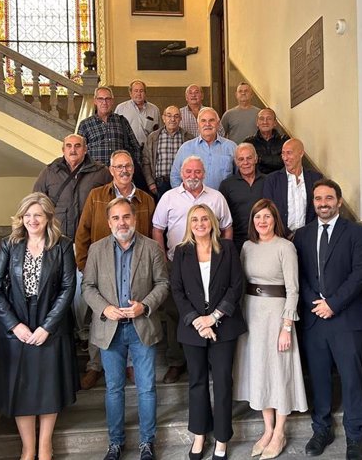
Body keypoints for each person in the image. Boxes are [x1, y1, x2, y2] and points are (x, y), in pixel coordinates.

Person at [0, 192, 78, 460]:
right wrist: (15, 326)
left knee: (49, 386)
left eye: (37, 214)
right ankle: (28, 448)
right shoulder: (9, 244)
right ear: (21, 218)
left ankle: (45, 446)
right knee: (21, 387)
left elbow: (68, 288)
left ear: (48, 217)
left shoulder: (62, 245)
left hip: (51, 323)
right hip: (17, 323)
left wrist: (47, 326)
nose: (32, 220)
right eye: (27, 215)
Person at [82, 198, 169, 460]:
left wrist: (145, 305)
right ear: (109, 223)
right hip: (110, 329)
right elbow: (87, 287)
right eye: (116, 218)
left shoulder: (152, 248)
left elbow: (163, 283)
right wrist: (104, 308)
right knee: (113, 389)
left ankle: (147, 443)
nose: (122, 222)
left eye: (127, 217)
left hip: (142, 326)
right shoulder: (96, 250)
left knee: (146, 388)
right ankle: (115, 443)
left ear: (135, 218)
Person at [293, 179, 362, 460]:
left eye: (328, 198)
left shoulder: (356, 234)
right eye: (317, 198)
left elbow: (360, 273)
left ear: (338, 201)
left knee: (351, 379)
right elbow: (298, 274)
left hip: (347, 319)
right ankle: (321, 430)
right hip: (315, 319)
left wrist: (333, 304)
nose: (322, 203)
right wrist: (316, 303)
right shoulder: (301, 235)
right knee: (319, 378)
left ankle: (354, 435)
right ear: (312, 202)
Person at [170, 204, 247, 460]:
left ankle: (223, 438)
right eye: (195, 220)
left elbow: (236, 286)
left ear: (212, 222)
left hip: (223, 326)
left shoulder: (227, 248)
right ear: (189, 225)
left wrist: (213, 318)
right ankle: (200, 434)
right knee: (197, 382)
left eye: (205, 219)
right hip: (193, 329)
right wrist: (198, 321)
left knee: (223, 382)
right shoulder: (181, 253)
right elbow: (177, 291)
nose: (200, 223)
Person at [75, 150, 156, 389]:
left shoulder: (146, 199)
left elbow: (151, 237)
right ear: (111, 170)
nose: (124, 170)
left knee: (134, 319)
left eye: (128, 166)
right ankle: (94, 366)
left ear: (133, 169)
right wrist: (86, 268)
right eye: (119, 166)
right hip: (101, 273)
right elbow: (82, 235)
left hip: (135, 272)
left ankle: (130, 364)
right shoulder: (96, 196)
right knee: (100, 319)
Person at [233, 199, 307, 459]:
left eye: (266, 217)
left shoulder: (286, 247)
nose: (262, 222)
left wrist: (287, 326)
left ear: (275, 219)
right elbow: (240, 284)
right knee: (260, 370)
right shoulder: (246, 247)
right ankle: (267, 429)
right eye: (257, 217)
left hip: (277, 316)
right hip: (252, 314)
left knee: (279, 370)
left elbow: (293, 289)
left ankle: (280, 432)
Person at [152, 156, 233, 384]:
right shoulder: (169, 198)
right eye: (188, 171)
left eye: (197, 172)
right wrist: (163, 259)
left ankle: (209, 358)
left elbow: (227, 227)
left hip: (210, 264)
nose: (193, 176)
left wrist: (225, 255)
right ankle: (176, 361)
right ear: (181, 173)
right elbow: (157, 229)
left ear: (204, 173)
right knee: (176, 312)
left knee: (211, 309)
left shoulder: (216, 197)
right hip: (177, 264)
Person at [33, 134, 111, 240]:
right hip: (58, 239)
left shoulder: (101, 172)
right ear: (63, 150)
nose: (73, 150)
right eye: (69, 146)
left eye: (77, 146)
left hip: (91, 238)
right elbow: (36, 203)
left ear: (85, 149)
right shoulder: (50, 172)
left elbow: (114, 202)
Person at [263, 138, 323, 236]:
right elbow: (268, 211)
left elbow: (320, 209)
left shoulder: (315, 178)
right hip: (281, 237)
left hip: (310, 236)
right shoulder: (272, 180)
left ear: (301, 153)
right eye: (283, 153)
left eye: (289, 153)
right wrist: (287, 235)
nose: (285, 158)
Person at [170, 108, 237, 190]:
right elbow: (175, 177)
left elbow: (239, 176)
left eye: (211, 120)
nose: (207, 124)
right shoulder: (185, 148)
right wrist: (186, 198)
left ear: (218, 124)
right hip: (194, 201)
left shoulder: (231, 147)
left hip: (224, 200)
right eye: (203, 121)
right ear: (198, 125)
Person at [77, 86, 142, 167]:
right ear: (95, 101)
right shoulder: (85, 124)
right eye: (100, 99)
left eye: (108, 99)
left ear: (112, 101)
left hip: (119, 172)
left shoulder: (121, 121)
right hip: (95, 172)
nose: (104, 102)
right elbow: (79, 150)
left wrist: (133, 166)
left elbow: (135, 147)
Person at [219, 143, 266, 252]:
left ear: (256, 159)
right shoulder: (227, 185)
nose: (245, 162)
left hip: (264, 240)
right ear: (236, 162)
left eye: (249, 158)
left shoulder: (268, 181)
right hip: (238, 243)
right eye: (241, 159)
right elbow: (222, 218)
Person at [141, 105, 193, 200]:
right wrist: (150, 183)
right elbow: (146, 162)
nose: (172, 119)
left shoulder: (188, 138)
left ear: (180, 119)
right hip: (159, 185)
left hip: (181, 184)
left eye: (176, 116)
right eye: (169, 116)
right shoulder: (152, 138)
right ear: (163, 118)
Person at [115, 80, 161, 148]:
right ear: (130, 93)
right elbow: (115, 130)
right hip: (128, 149)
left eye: (141, 91)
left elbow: (159, 132)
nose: (139, 94)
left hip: (147, 150)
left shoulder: (154, 110)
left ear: (145, 93)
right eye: (136, 91)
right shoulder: (121, 108)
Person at [244, 108, 290, 175]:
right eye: (261, 119)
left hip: (280, 179)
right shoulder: (249, 142)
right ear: (257, 123)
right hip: (257, 181)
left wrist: (259, 158)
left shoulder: (284, 140)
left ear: (275, 123)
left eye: (269, 118)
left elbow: (285, 161)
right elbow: (247, 165)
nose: (265, 122)